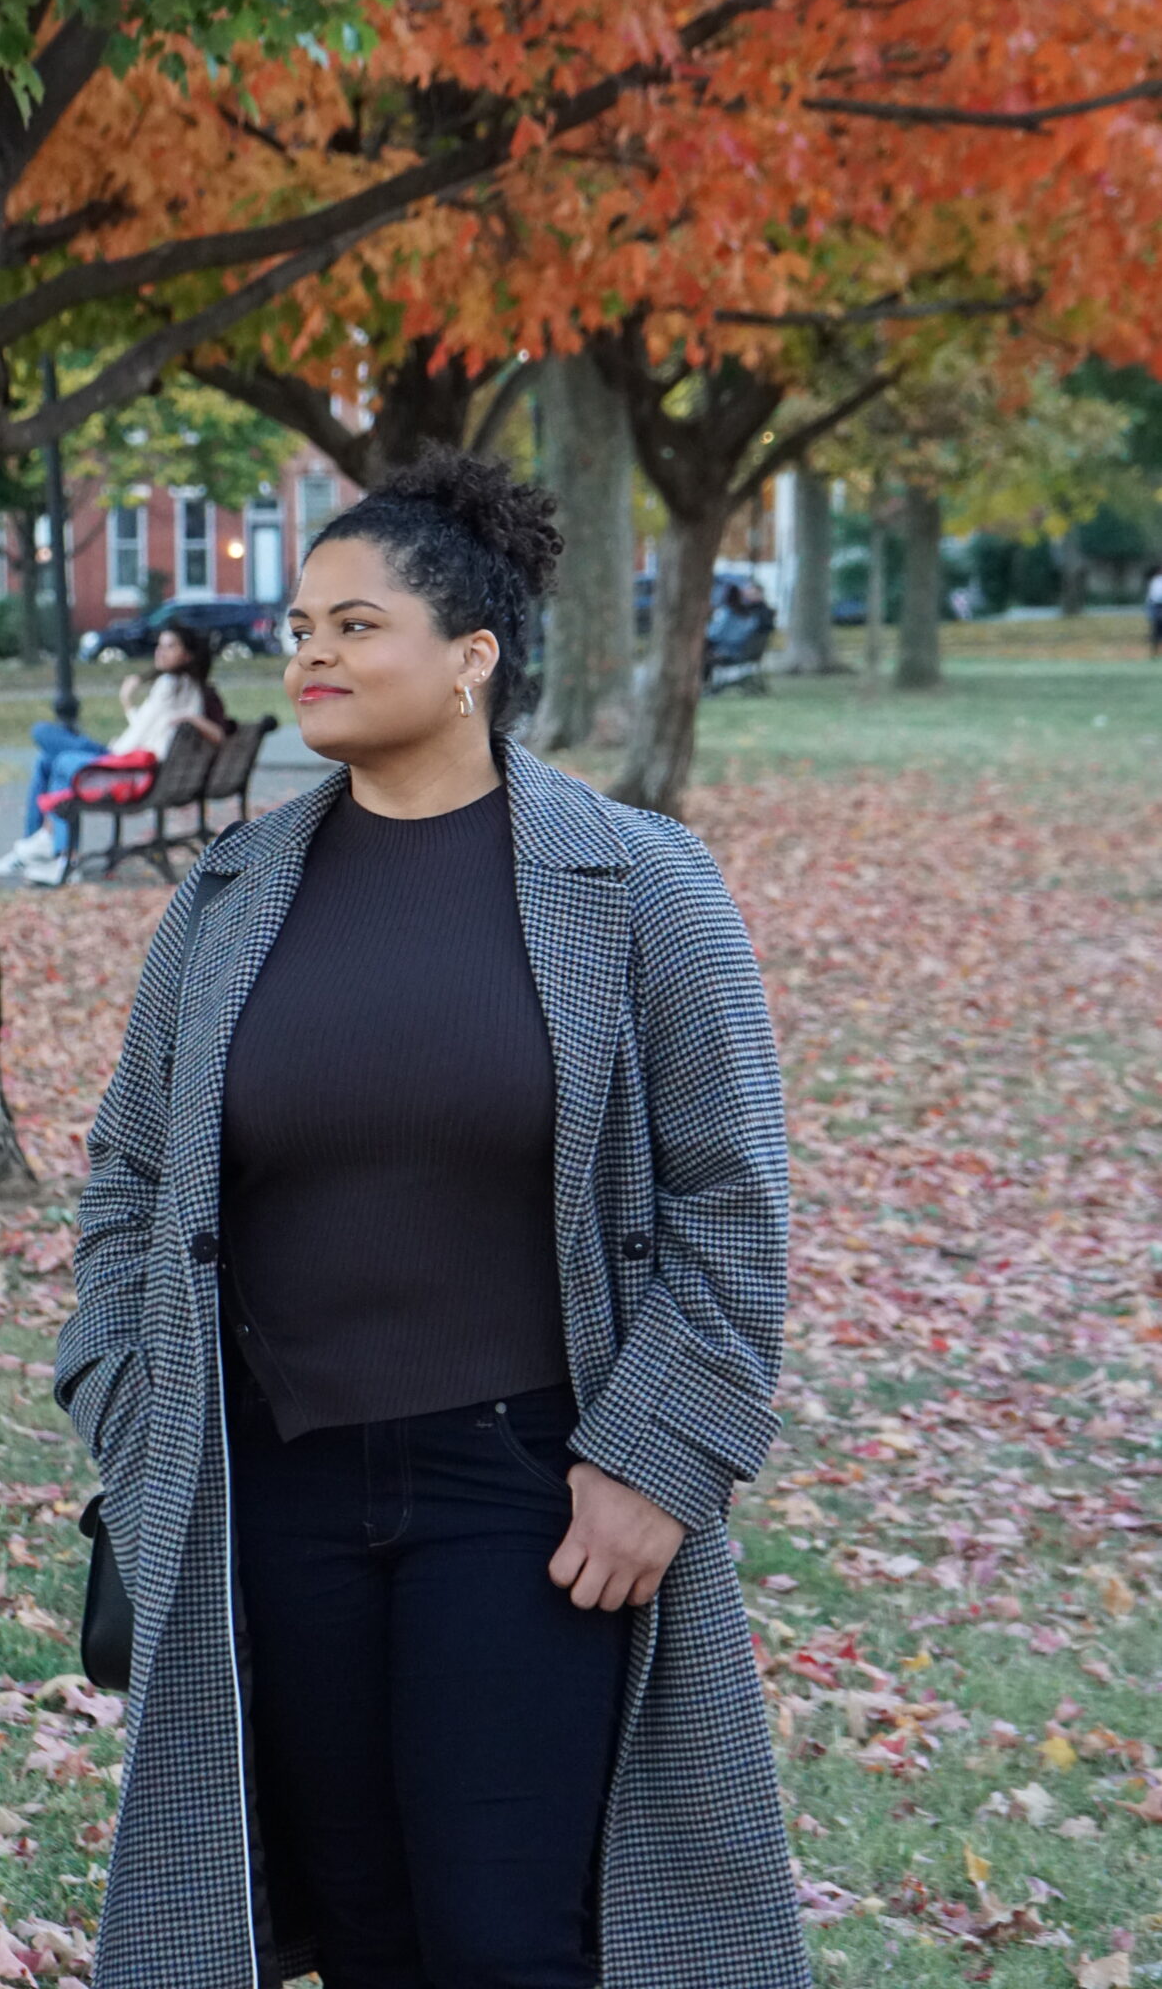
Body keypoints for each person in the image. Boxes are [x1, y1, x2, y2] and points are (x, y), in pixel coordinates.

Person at [53, 448, 807, 1989]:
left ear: (470, 656)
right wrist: (130, 1413)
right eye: (297, 629)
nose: (309, 656)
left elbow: (730, 1203)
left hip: (530, 1497)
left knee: (503, 1937)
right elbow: (128, 1177)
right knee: (362, 1927)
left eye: (353, 625)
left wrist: (655, 1462)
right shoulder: (231, 892)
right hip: (275, 1489)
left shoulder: (641, 886)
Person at [0, 620, 231, 885]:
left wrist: (127, 706)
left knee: (47, 741)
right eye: (160, 646)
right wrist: (129, 704)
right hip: (132, 762)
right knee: (46, 760)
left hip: (127, 766)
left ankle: (55, 852)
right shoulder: (185, 688)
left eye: (170, 646)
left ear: (187, 655)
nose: (160, 652)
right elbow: (148, 730)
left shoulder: (174, 685)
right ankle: (39, 847)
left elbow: (140, 739)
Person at [1146, 558, 1162, 657]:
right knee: (1155, 631)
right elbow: (1154, 596)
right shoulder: (1155, 581)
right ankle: (1154, 653)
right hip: (1157, 606)